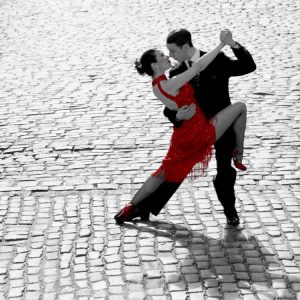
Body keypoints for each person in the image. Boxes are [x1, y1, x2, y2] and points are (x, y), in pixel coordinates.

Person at [114, 30, 248, 225]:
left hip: (184, 136)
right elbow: (200, 66)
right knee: (241, 107)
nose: (168, 55)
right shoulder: (175, 78)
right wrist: (221, 44)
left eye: (170, 51)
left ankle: (132, 206)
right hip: (200, 131)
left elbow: (247, 66)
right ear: (154, 65)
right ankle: (240, 151)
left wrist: (177, 113)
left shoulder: (159, 85)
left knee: (162, 173)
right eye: (163, 54)